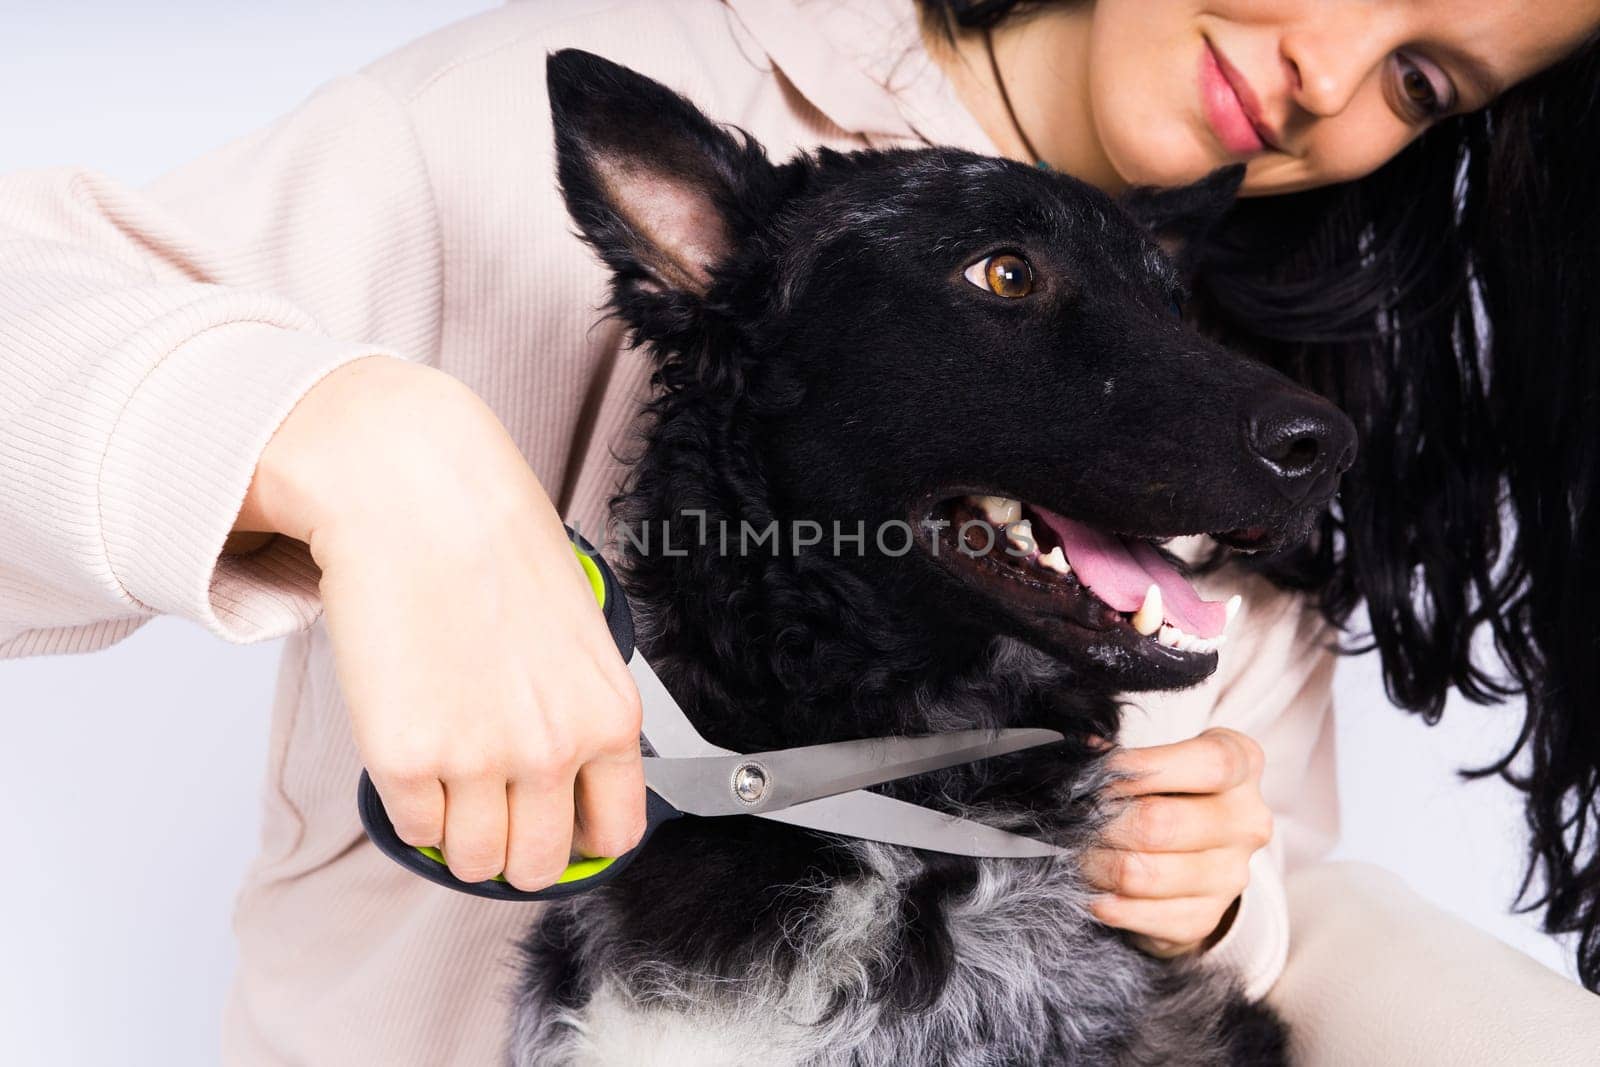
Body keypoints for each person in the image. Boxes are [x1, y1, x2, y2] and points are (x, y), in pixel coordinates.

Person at [0, 1, 1594, 1062]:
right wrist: (363, 449)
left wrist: (1219, 884)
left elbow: (1271, 908)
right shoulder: (551, 107)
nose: (1325, 56)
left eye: (1421, 76)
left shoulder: (1257, 385)